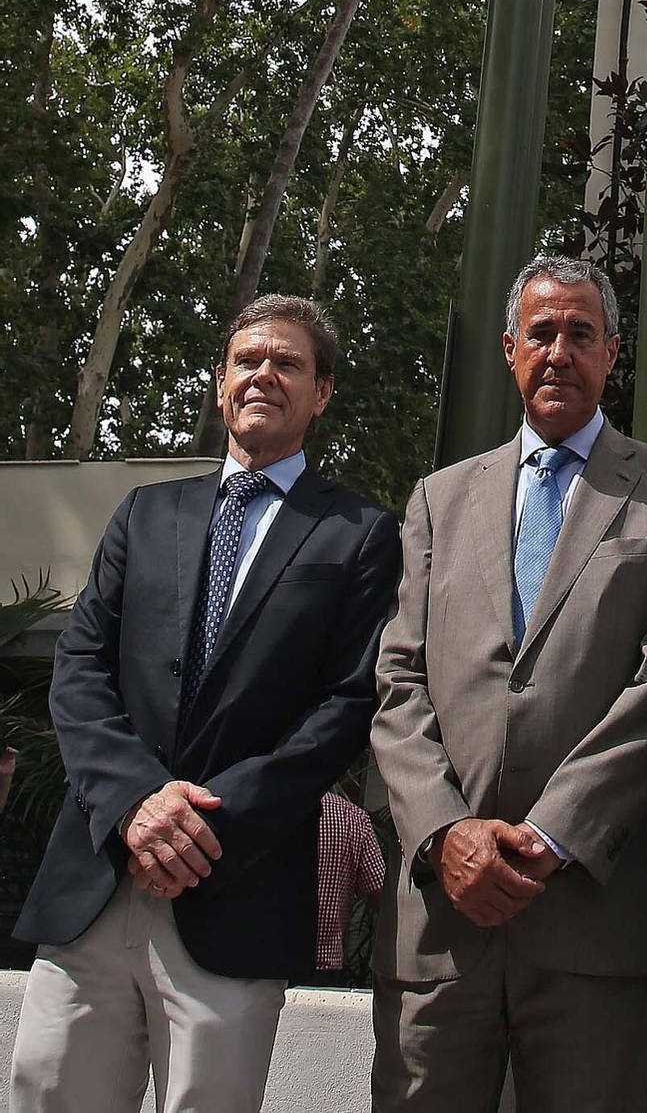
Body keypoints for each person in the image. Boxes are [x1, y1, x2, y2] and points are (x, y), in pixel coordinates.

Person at [9, 295, 401, 1113]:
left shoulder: (360, 534)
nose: (264, 373)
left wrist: (204, 825)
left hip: (236, 888)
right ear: (220, 383)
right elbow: (81, 667)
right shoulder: (146, 514)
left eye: (288, 363)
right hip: (96, 878)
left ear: (322, 393)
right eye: (246, 360)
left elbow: (346, 705)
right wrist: (134, 805)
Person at [369, 254, 647, 1113]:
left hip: (593, 923)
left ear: (612, 352)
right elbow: (397, 680)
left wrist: (553, 835)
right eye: (542, 334)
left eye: (580, 334)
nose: (559, 352)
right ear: (509, 350)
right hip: (440, 928)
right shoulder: (437, 500)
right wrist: (445, 835)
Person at [315, 787, 386, 977]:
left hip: (258, 966)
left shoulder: (259, 809)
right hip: (323, 967)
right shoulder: (351, 818)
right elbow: (381, 897)